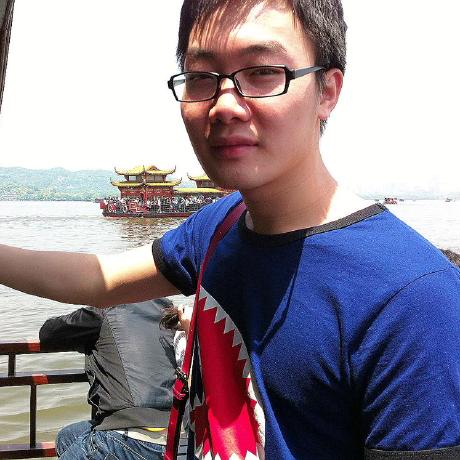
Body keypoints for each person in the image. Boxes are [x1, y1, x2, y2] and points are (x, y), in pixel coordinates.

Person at [1, 0, 460, 458]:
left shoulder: (415, 299)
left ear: (327, 90)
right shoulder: (220, 226)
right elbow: (99, 281)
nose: (224, 106)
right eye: (201, 77)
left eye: (262, 72)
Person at [39, 299, 177, 459]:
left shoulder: (105, 310)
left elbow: (48, 334)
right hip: (176, 430)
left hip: (132, 438)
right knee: (68, 436)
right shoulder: (168, 310)